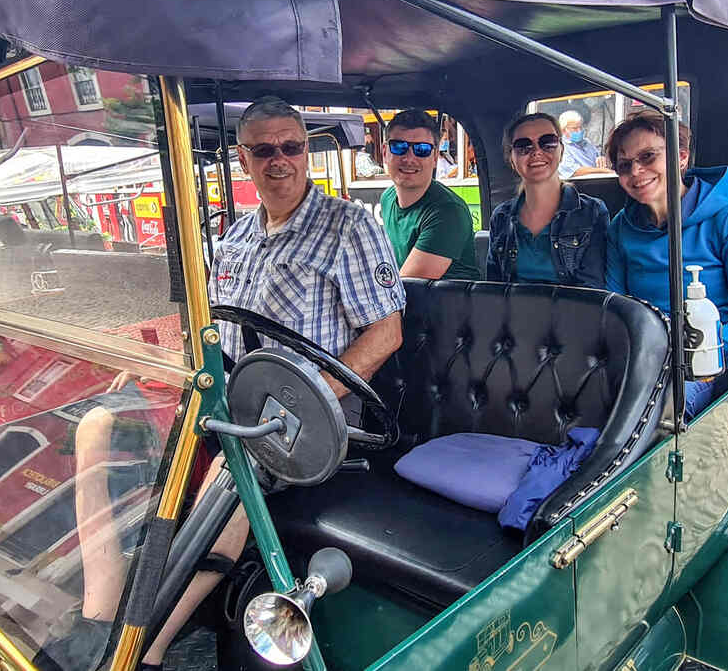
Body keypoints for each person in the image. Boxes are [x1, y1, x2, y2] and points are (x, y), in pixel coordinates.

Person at [80, 97, 405, 670]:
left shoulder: (349, 226)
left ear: (307, 151)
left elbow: (386, 335)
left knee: (231, 475)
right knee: (97, 423)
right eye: (264, 150)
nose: (280, 160)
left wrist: (313, 396)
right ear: (243, 158)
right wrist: (157, 359)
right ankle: (99, 610)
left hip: (309, 413)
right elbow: (211, 325)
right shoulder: (234, 236)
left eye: (291, 147)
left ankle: (144, 651)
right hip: (228, 393)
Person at [604, 108, 728, 417]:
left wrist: (692, 348)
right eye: (625, 165)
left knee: (655, 412)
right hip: (642, 355)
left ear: (681, 157)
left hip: (700, 363)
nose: (636, 172)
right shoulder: (620, 228)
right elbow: (616, 308)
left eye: (648, 157)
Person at [485, 112, 608, 286]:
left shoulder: (591, 212)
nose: (536, 152)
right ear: (511, 159)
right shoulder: (501, 217)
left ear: (561, 150)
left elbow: (592, 291)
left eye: (548, 143)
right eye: (523, 146)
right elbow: (494, 290)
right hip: (512, 312)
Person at [379, 109, 481, 279]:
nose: (409, 158)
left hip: (446, 304)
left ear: (434, 157)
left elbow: (407, 287)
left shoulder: (448, 212)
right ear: (384, 152)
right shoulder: (388, 199)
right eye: (399, 147)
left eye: (422, 149)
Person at [556, 109, 601, 178]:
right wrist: (603, 171)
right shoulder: (560, 147)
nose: (579, 131)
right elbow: (575, 171)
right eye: (574, 128)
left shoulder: (587, 142)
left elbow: (598, 157)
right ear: (563, 130)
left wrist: (602, 160)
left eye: (580, 127)